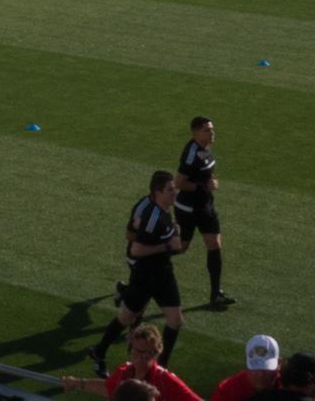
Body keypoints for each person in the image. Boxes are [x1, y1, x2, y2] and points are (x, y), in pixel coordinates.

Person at [91, 171, 186, 376]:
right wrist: (167, 247)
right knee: (126, 318)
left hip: (164, 274)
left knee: (175, 321)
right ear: (157, 193)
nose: (174, 192)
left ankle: (162, 367)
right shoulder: (152, 216)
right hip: (145, 276)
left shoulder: (164, 211)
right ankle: (99, 351)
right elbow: (136, 250)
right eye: (170, 190)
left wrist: (174, 236)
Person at [175, 117, 236, 311]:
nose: (212, 133)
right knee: (181, 247)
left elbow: (204, 173)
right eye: (207, 130)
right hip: (188, 209)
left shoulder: (206, 148)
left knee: (214, 244)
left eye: (212, 129)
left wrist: (208, 183)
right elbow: (180, 183)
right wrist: (204, 186)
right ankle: (140, 262)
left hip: (205, 206)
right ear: (196, 132)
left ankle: (215, 294)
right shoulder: (191, 153)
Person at [62, 326, 201, 401]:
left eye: (147, 353)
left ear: (156, 353)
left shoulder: (165, 380)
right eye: (137, 351)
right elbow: (107, 387)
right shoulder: (125, 372)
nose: (141, 357)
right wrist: (77, 383)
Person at [209, 335, 282, 401]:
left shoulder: (288, 383)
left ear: (279, 364)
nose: (260, 374)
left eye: (266, 368)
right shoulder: (228, 391)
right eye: (255, 368)